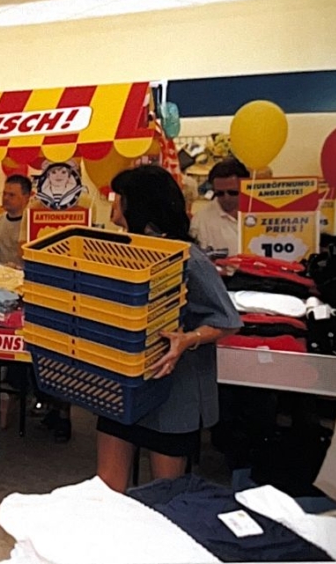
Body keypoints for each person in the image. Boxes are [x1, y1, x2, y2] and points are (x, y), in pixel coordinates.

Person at [98, 165, 241, 493]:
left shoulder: (188, 258)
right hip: (123, 387)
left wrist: (187, 339)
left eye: (119, 197)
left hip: (173, 394)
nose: (112, 204)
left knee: (165, 497)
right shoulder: (118, 250)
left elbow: (226, 319)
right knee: (106, 491)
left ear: (137, 204)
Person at [190, 158, 249, 258]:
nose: (227, 198)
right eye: (220, 193)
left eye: (233, 193)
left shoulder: (262, 212)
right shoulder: (201, 220)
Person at [0, 175, 32, 268]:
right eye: (4, 194)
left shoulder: (31, 226)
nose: (6, 198)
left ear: (26, 197)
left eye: (11, 195)